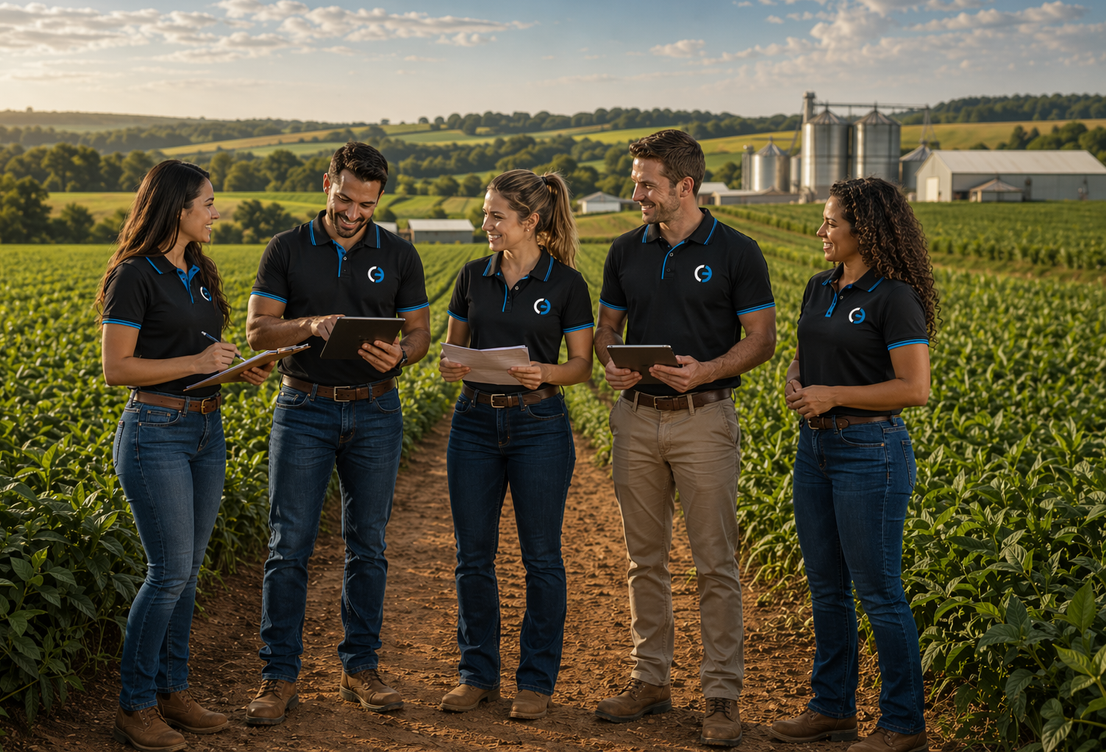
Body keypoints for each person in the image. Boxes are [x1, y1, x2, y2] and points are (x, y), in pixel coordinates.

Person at [592, 130, 776, 747]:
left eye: (647, 184)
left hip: (705, 419)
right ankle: (651, 680)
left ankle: (722, 694)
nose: (636, 193)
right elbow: (607, 326)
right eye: (636, 181)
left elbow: (761, 339)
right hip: (636, 418)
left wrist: (709, 369)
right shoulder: (625, 250)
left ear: (684, 187)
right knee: (643, 558)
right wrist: (609, 362)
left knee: (714, 564)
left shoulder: (737, 251)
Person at [243, 142, 431, 724]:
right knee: (288, 546)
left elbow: (421, 334)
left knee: (367, 545)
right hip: (304, 408)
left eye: (367, 205)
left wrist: (401, 354)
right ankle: (278, 678)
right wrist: (309, 324)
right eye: (344, 198)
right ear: (327, 182)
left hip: (376, 411)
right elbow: (257, 331)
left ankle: (361, 669)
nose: (353, 213)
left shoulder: (399, 254)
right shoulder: (287, 249)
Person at [98, 160, 274, 752]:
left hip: (205, 429)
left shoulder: (198, 271)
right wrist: (199, 365)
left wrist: (234, 370)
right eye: (207, 202)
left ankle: (173, 691)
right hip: (155, 431)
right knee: (168, 572)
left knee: (187, 574)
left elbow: (200, 353)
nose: (215, 211)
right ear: (177, 208)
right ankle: (135, 705)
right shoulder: (134, 275)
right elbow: (117, 368)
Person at [772, 178, 937, 752]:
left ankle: (902, 723)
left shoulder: (895, 297)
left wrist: (831, 395)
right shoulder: (821, 286)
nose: (821, 230)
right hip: (814, 449)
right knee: (827, 587)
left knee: (878, 591)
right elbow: (806, 351)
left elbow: (914, 389)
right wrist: (796, 378)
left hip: (871, 453)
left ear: (863, 229)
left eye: (830, 221)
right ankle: (833, 708)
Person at [437, 170, 594, 720]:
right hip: (474, 424)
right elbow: (451, 350)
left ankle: (535, 682)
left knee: (542, 559)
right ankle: (477, 674)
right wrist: (453, 366)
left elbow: (581, 366)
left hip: (539, 425)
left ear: (530, 221)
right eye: (485, 213)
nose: (486, 224)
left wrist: (543, 371)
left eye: (496, 215)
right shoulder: (471, 276)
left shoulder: (567, 284)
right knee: (472, 558)